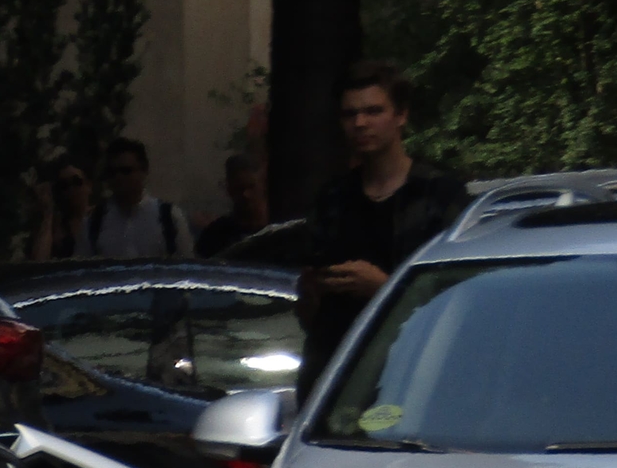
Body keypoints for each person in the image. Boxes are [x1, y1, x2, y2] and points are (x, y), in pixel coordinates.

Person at [300, 61, 466, 388]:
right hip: (340, 374)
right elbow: (310, 304)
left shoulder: (438, 194)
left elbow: (457, 299)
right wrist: (311, 290)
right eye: (350, 114)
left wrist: (384, 289)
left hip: (414, 373)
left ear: (400, 115)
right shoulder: (333, 198)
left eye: (374, 111)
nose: (360, 123)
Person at [77, 138, 194, 259]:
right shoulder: (93, 222)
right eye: (112, 172)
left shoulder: (170, 218)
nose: (118, 177)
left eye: (126, 171)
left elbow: (188, 266)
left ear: (144, 171)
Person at [196, 153, 269, 257]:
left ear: (263, 185)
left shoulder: (281, 230)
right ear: (229, 189)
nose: (245, 195)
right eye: (239, 189)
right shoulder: (215, 235)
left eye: (251, 187)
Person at [29, 162, 93, 261]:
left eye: (76, 182)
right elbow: (38, 263)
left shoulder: (101, 218)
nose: (71, 189)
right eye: (64, 185)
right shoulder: (56, 227)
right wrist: (47, 213)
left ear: (89, 185)